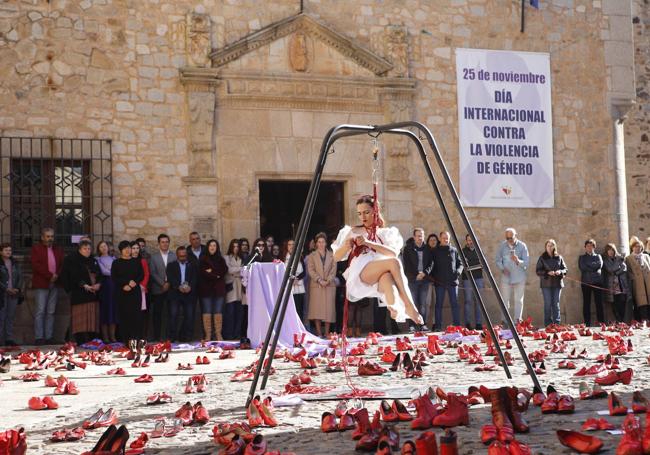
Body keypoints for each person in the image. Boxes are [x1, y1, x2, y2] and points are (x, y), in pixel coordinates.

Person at [331, 195, 423, 327]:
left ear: (375, 211)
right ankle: (410, 306)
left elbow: (393, 253)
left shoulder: (385, 233)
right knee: (394, 263)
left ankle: (394, 307)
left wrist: (369, 243)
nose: (363, 217)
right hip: (361, 272)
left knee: (387, 278)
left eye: (366, 212)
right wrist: (346, 246)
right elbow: (336, 257)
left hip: (380, 274)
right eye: (360, 213)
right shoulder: (353, 231)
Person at [60, 239, 102, 344]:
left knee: (91, 316)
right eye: (85, 249)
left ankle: (91, 338)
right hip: (79, 293)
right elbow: (72, 275)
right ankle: (79, 339)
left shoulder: (93, 260)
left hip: (93, 294)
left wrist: (99, 284)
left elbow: (99, 274)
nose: (87, 251)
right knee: (79, 316)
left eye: (89, 249)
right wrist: (84, 285)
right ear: (79, 249)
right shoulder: (72, 259)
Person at [31, 227, 64, 345]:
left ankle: (49, 336)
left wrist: (56, 275)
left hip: (55, 284)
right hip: (42, 283)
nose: (50, 239)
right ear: (42, 237)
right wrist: (50, 275)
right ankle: (39, 337)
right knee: (40, 311)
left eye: (52, 236)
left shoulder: (58, 249)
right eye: (48, 236)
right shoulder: (36, 249)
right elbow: (36, 265)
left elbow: (61, 264)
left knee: (51, 311)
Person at [111, 241, 144, 343]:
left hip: (135, 292)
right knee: (124, 315)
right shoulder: (116, 263)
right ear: (121, 250)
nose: (128, 250)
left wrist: (134, 283)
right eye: (125, 248)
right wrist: (125, 284)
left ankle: (136, 338)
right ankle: (125, 339)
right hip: (122, 292)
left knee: (136, 315)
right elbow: (114, 277)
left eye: (129, 248)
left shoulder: (136, 261)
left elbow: (141, 274)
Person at [495, 227, 529, 323]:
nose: (509, 240)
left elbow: (526, 263)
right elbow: (497, 260)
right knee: (505, 301)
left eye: (511, 238)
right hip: (506, 278)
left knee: (519, 300)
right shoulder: (502, 246)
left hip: (519, 277)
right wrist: (502, 268)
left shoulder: (523, 246)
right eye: (507, 238)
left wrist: (518, 260)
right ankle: (504, 321)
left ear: (516, 235)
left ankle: (517, 321)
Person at [430, 231, 463, 329]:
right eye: (444, 238)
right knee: (438, 304)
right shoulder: (435, 251)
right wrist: (434, 277)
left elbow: (460, 263)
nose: (446, 239)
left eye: (447, 238)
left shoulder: (454, 250)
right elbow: (431, 265)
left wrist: (458, 272)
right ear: (440, 239)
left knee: (455, 304)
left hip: (452, 282)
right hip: (439, 283)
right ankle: (438, 326)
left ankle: (457, 326)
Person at [402, 228, 433, 331]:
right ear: (414, 237)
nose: (420, 238)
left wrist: (425, 273)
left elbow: (431, 263)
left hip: (424, 279)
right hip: (412, 280)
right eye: (418, 236)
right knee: (413, 303)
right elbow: (407, 264)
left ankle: (422, 324)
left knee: (423, 303)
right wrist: (416, 274)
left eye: (422, 236)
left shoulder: (428, 248)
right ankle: (412, 325)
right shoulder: (408, 248)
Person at [306, 232, 337, 336]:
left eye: (323, 242)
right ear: (316, 243)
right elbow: (311, 270)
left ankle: (327, 333)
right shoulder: (312, 256)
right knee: (317, 311)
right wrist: (319, 280)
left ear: (326, 243)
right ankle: (319, 334)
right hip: (317, 285)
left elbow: (333, 270)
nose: (321, 244)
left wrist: (327, 280)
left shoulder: (332, 255)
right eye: (319, 242)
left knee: (328, 311)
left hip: (329, 285)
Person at [166, 246, 198, 342]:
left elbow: (195, 277)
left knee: (189, 316)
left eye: (184, 256)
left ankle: (186, 337)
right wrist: (178, 286)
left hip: (189, 293)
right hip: (175, 293)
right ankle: (172, 337)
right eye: (181, 256)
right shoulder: (171, 265)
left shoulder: (192, 265)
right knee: (173, 315)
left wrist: (190, 287)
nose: (183, 258)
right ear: (177, 255)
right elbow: (170, 277)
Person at [148, 234, 176, 341]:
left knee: (171, 313)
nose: (165, 244)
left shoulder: (174, 256)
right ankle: (157, 336)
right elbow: (153, 273)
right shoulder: (154, 257)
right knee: (157, 314)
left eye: (166, 242)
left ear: (169, 243)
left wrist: (168, 283)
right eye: (162, 242)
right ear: (159, 243)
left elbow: (175, 272)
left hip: (171, 289)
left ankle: (170, 337)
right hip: (158, 289)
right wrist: (162, 283)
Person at [199, 239, 228, 340]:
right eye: (210, 245)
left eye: (214, 245)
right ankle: (208, 335)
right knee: (207, 311)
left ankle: (218, 334)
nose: (212, 247)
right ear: (207, 247)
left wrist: (212, 272)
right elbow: (203, 272)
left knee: (218, 311)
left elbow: (224, 270)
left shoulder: (221, 259)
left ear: (217, 247)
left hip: (218, 290)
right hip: (206, 290)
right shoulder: (202, 259)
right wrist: (216, 275)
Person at [535, 239, 568, 326]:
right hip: (546, 284)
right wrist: (547, 272)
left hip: (557, 284)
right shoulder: (542, 258)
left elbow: (565, 269)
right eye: (548, 245)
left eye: (552, 245)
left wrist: (560, 272)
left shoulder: (559, 257)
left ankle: (557, 323)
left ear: (554, 247)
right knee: (547, 304)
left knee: (556, 304)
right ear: (546, 247)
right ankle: (548, 324)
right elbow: (538, 271)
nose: (550, 247)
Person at [0, 244, 24, 346]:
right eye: (6, 250)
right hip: (2, 294)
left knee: (10, 316)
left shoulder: (14, 263)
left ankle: (9, 338)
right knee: (1, 316)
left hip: (13, 293)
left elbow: (20, 276)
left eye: (10, 250)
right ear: (1, 252)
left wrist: (17, 288)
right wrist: (6, 289)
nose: (8, 252)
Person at [578, 239, 604, 326]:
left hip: (597, 282)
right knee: (586, 303)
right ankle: (587, 323)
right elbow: (583, 267)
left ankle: (601, 322)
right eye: (588, 246)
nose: (589, 248)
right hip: (586, 283)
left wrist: (589, 266)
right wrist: (593, 267)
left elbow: (599, 265)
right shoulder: (582, 258)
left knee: (599, 303)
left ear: (594, 247)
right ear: (585, 247)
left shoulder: (598, 256)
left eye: (591, 246)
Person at [602, 243, 629, 322]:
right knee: (614, 305)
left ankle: (623, 321)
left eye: (612, 250)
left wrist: (616, 272)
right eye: (609, 250)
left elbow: (624, 268)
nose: (611, 252)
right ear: (606, 251)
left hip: (621, 285)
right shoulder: (606, 261)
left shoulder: (619, 258)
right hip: (612, 286)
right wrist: (618, 265)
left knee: (622, 304)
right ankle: (619, 321)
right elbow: (610, 269)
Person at [461, 234, 483, 330]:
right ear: (466, 241)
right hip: (467, 279)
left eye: (472, 240)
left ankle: (478, 323)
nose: (470, 242)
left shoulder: (479, 251)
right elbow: (463, 265)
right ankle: (468, 324)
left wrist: (471, 264)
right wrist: (473, 264)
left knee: (479, 302)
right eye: (469, 240)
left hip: (479, 278)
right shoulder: (463, 251)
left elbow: (482, 263)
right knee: (468, 301)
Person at [96, 241, 117, 343]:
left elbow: (117, 271)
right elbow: (104, 271)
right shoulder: (98, 259)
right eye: (101, 247)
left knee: (113, 311)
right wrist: (112, 271)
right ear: (98, 249)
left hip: (114, 286)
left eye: (105, 246)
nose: (103, 248)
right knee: (105, 311)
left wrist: (112, 271)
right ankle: (105, 337)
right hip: (105, 287)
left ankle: (113, 336)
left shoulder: (114, 259)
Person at [223, 239, 244, 340]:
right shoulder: (226, 257)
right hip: (231, 287)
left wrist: (238, 271)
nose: (235, 249)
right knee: (230, 312)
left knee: (239, 312)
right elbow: (229, 270)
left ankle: (237, 334)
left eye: (237, 247)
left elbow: (245, 272)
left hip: (240, 286)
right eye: (234, 246)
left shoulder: (242, 257)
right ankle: (228, 334)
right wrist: (241, 268)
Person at [625, 238, 650, 320]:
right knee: (641, 302)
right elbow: (628, 271)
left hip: (648, 282)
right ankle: (643, 320)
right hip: (637, 284)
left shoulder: (646, 256)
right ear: (632, 247)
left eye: (639, 246)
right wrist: (634, 278)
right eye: (635, 246)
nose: (637, 248)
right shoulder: (628, 258)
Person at [283, 239, 306, 321]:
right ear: (287, 246)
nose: (291, 246)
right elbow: (282, 272)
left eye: (293, 244)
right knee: (288, 310)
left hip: (299, 287)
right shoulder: (283, 258)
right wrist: (291, 280)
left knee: (299, 310)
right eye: (289, 244)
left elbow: (304, 272)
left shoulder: (300, 257)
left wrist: (297, 279)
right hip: (288, 288)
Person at [131, 242, 150, 336]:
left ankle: (142, 335)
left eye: (137, 248)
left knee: (141, 314)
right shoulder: (127, 260)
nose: (135, 250)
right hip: (130, 290)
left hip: (141, 290)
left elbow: (146, 274)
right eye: (133, 248)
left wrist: (143, 285)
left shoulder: (143, 261)